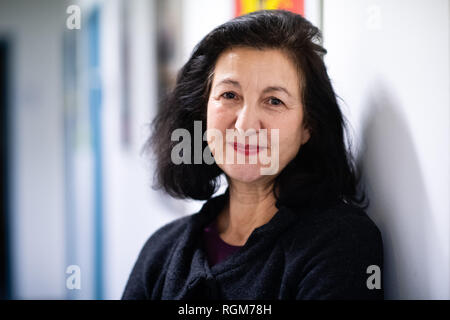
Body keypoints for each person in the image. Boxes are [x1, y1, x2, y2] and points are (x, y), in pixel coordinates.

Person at [122, 10, 383, 300]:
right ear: (202, 111)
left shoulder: (342, 243)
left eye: (274, 101)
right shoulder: (161, 251)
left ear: (308, 126)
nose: (245, 124)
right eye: (230, 95)